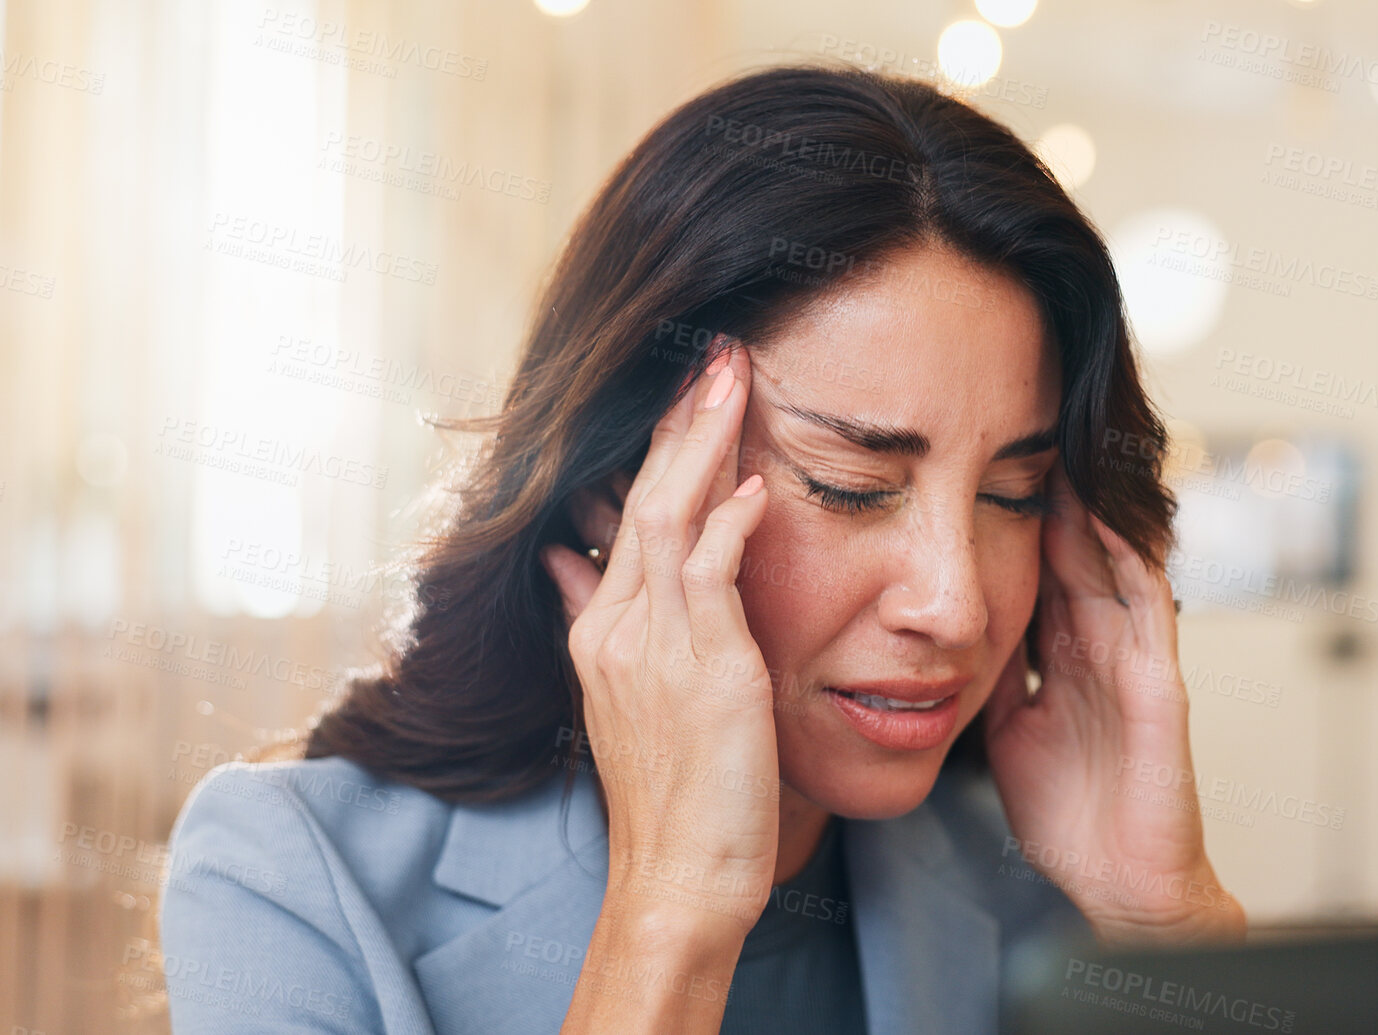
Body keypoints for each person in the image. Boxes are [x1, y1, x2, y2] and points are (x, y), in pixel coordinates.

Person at [158, 62, 1246, 1035]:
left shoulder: (1033, 888)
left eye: (1013, 494)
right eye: (851, 487)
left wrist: (1166, 925)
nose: (955, 606)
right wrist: (670, 913)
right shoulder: (291, 877)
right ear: (611, 487)